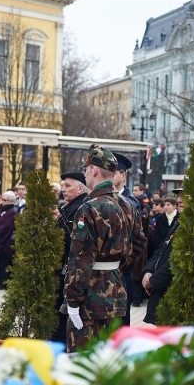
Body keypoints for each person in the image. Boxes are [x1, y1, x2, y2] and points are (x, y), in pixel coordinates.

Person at [62, 145, 133, 352]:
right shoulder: (126, 205)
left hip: (90, 298)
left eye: (86, 168)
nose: (84, 173)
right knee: (109, 363)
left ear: (94, 170)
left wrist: (73, 300)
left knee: (82, 364)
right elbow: (137, 245)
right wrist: (116, 267)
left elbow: (80, 258)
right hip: (116, 292)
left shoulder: (89, 208)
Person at [51, 171, 88, 343]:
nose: (63, 189)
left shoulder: (81, 208)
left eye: (68, 186)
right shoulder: (69, 206)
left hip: (69, 267)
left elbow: (73, 240)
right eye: (63, 185)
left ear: (80, 189)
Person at [111, 152, 146, 327]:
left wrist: (123, 264)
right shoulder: (102, 199)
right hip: (102, 275)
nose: (110, 175)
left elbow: (137, 242)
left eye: (114, 172)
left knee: (121, 323)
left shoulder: (132, 203)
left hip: (122, 272)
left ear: (123, 175)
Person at [142, 190, 183, 324]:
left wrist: (153, 281)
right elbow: (161, 250)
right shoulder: (180, 223)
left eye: (186, 196)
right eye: (178, 196)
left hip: (177, 297)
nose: (180, 200)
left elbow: (178, 261)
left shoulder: (191, 226)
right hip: (162, 292)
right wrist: (148, 271)